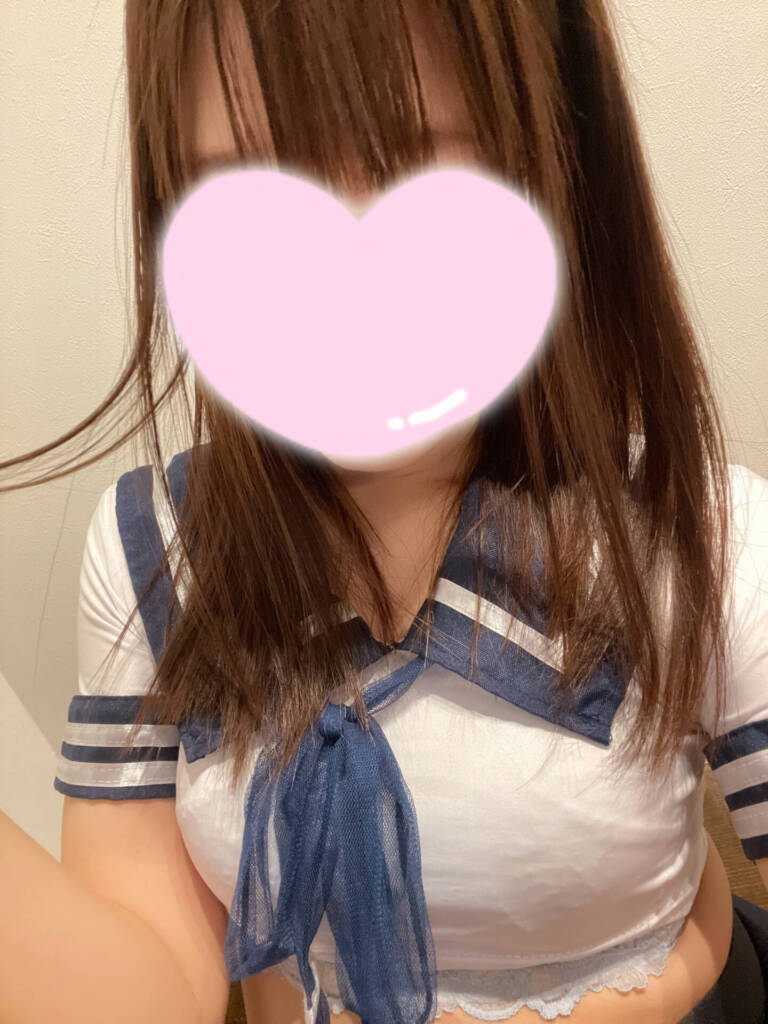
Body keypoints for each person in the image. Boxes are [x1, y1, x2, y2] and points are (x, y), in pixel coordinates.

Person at [2, 1, 768, 1022]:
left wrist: (667, 980)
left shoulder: (706, 536)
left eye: (427, 173)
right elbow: (149, 993)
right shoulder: (155, 551)